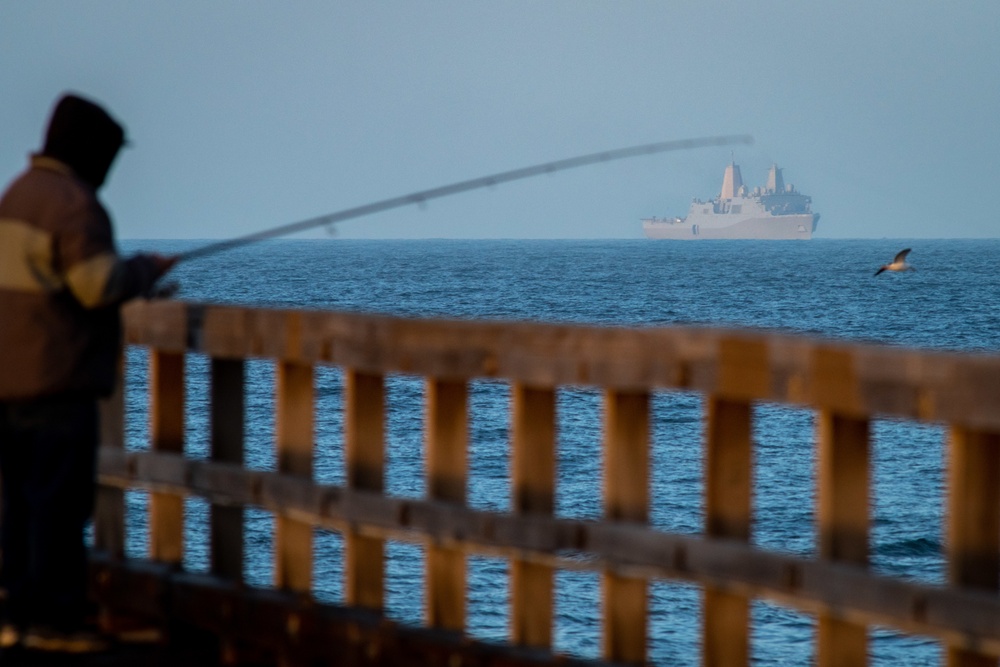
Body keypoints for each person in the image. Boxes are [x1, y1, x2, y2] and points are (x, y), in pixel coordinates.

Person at [0, 93, 176, 653]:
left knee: (20, 505)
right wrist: (146, 270)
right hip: (57, 382)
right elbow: (95, 284)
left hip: (9, 383)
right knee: (58, 505)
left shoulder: (17, 198)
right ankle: (56, 621)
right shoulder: (74, 206)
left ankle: (18, 615)